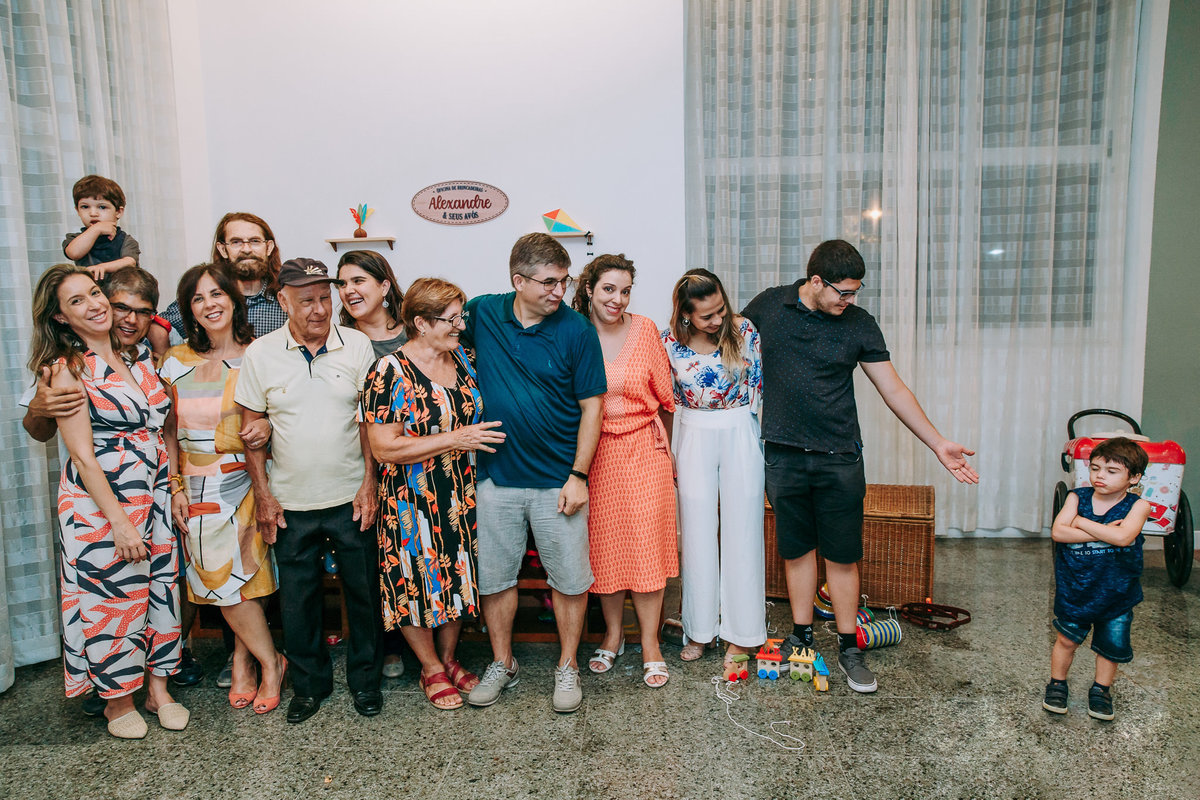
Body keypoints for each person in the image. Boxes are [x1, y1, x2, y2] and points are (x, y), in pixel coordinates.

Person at [742, 239, 978, 694]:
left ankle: (849, 645)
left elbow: (894, 391)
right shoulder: (770, 306)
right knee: (796, 551)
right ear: (815, 281)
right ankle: (802, 635)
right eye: (843, 293)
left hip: (840, 458)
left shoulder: (858, 324)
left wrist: (937, 443)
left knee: (843, 555)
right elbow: (727, 345)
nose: (849, 301)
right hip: (783, 455)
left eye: (856, 292)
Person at [21, 267, 205, 700]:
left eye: (94, 293)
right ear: (61, 318)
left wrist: (172, 488)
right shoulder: (66, 368)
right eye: (77, 301)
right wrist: (120, 522)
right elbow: (82, 455)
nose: (95, 304)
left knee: (161, 590)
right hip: (101, 502)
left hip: (154, 492)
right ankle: (117, 703)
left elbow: (162, 430)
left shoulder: (138, 357)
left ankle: (159, 690)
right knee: (112, 600)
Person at [461, 232, 606, 714]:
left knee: (568, 580)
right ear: (517, 281)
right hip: (496, 478)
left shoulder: (577, 330)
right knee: (496, 580)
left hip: (557, 482)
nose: (558, 292)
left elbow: (592, 408)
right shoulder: (482, 313)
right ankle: (503, 662)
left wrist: (579, 475)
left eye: (563, 282)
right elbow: (433, 343)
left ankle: (567, 665)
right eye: (548, 282)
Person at [235, 257, 383, 724]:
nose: (319, 309)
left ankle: (365, 682)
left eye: (325, 297)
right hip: (289, 502)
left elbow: (369, 423)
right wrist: (263, 495)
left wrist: (369, 483)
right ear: (282, 301)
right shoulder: (260, 353)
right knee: (298, 602)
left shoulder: (357, 345)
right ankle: (310, 686)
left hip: (349, 498)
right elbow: (249, 428)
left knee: (363, 595)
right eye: (306, 301)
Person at [363, 278, 504, 709]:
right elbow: (384, 446)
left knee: (456, 578)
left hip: (459, 493)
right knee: (415, 581)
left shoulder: (460, 358)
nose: (461, 325)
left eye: (461, 316)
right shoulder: (389, 371)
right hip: (411, 497)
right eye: (451, 318)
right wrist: (453, 440)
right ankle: (429, 667)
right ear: (421, 323)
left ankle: (449, 658)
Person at [162, 211, 288, 690]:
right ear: (188, 310)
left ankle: (250, 664)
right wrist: (174, 485)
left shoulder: (261, 352)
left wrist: (271, 424)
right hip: (196, 487)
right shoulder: (174, 361)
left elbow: (284, 413)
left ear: (234, 301)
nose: (210, 304)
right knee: (217, 581)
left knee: (250, 578)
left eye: (217, 294)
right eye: (198, 298)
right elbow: (169, 431)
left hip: (251, 481)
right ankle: (267, 659)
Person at [570, 254, 677, 687]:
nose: (618, 299)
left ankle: (649, 642)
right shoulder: (574, 332)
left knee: (647, 547)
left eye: (626, 290)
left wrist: (664, 451)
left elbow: (667, 399)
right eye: (609, 289)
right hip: (596, 456)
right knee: (606, 549)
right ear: (590, 289)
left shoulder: (645, 329)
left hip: (644, 451)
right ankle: (613, 636)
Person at [662, 269, 766, 680]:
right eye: (706, 316)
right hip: (693, 431)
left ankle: (741, 633)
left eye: (720, 309)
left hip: (740, 427)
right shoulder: (669, 342)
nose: (717, 320)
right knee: (697, 531)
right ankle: (700, 629)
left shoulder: (745, 331)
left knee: (743, 529)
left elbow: (759, 389)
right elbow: (665, 400)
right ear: (686, 315)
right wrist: (669, 451)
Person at [337, 249, 408, 679]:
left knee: (411, 554)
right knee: (371, 562)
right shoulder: (338, 341)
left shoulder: (411, 336)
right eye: (343, 283)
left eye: (359, 280)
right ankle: (387, 646)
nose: (349, 291)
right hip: (356, 466)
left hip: (412, 464)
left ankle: (423, 643)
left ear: (384, 286)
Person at [1046, 437, 1152, 721]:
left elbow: (1123, 537)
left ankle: (1101, 690)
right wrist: (1100, 528)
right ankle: (1057, 684)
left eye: (1111, 471)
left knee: (1110, 648)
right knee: (1066, 640)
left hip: (1117, 593)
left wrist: (1079, 522)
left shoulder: (1139, 506)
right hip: (1076, 588)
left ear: (1134, 477)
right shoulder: (1076, 497)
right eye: (1095, 468)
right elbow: (1059, 533)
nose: (1100, 476)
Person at [62, 176, 170, 357]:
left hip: (128, 297)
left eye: (102, 207)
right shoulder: (76, 239)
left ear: (118, 212)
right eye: (85, 207)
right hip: (98, 305)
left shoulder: (125, 240)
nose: (93, 213)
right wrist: (95, 230)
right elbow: (74, 253)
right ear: (77, 210)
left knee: (157, 332)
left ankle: (162, 365)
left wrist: (104, 267)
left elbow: (129, 262)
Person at [162, 212, 287, 342]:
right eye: (236, 242)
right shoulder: (207, 298)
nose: (246, 249)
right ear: (222, 250)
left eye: (255, 241)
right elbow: (159, 324)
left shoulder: (286, 298)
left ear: (269, 247)